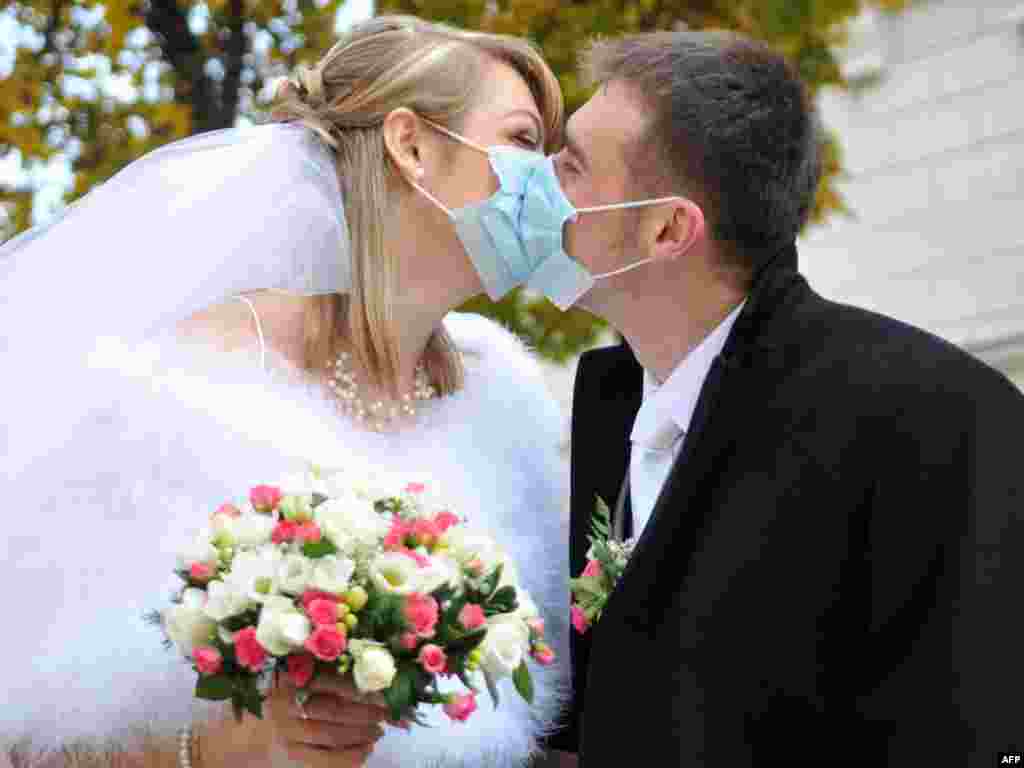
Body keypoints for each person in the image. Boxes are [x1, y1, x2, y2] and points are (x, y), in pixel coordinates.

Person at [0, 16, 569, 768]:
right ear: (411, 145)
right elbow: (34, 732)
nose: (552, 182)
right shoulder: (190, 380)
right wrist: (223, 747)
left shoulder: (506, 401)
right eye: (525, 142)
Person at [531, 30, 1024, 766]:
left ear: (668, 228)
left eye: (571, 164)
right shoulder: (609, 410)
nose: (540, 181)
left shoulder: (932, 418)